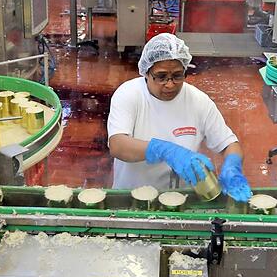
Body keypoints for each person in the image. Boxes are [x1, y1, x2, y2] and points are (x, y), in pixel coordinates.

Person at [106, 33, 252, 202]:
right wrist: (164, 150)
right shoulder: (129, 95)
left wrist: (232, 166)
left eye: (177, 76)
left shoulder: (198, 101)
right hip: (132, 199)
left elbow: (229, 144)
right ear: (146, 72)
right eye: (161, 77)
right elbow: (117, 145)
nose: (170, 84)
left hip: (181, 200)